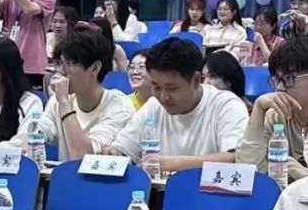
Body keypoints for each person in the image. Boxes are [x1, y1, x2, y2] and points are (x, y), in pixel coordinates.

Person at [104, 37, 249, 173]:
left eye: (171, 88)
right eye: (156, 87)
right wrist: (114, 153)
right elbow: (123, 149)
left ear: (196, 80)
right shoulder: (154, 106)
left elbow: (235, 159)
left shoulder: (227, 106)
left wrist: (170, 164)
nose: (163, 97)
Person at [237, 36, 308, 178]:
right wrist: (259, 108)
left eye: (288, 79)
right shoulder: (276, 116)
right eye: (277, 80)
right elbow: (247, 172)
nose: (280, 87)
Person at [38, 27, 134, 161]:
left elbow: (83, 156)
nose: (61, 71)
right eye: (59, 63)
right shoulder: (57, 100)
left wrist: (65, 103)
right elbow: (38, 134)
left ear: (95, 68)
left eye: (69, 63)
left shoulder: (119, 107)